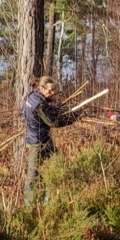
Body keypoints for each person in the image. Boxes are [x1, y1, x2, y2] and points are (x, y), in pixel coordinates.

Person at [21, 76, 80, 205]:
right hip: (37, 142)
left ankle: (48, 199)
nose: (52, 93)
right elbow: (53, 122)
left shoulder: (31, 95)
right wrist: (72, 117)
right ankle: (29, 205)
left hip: (38, 138)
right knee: (33, 173)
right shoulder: (40, 105)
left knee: (55, 165)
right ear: (41, 88)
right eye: (50, 90)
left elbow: (23, 113)